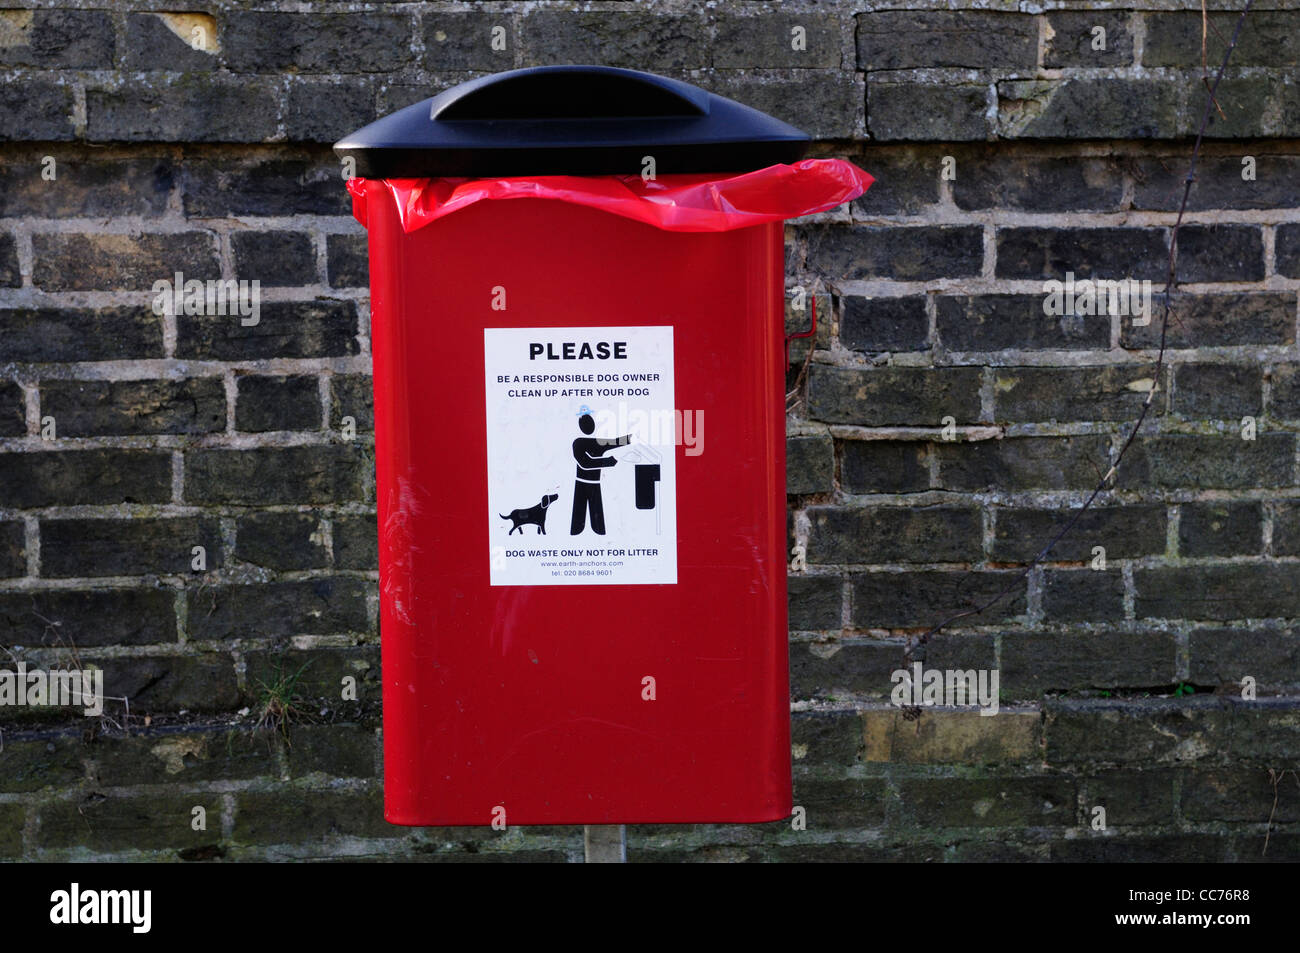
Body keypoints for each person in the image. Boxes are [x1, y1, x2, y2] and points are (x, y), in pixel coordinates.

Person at [570, 413, 631, 535]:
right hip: (581, 483)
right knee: (578, 522)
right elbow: (585, 463)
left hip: (594, 484)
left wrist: (633, 437)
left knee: (598, 523)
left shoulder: (594, 442)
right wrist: (607, 461)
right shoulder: (578, 443)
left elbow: (616, 442)